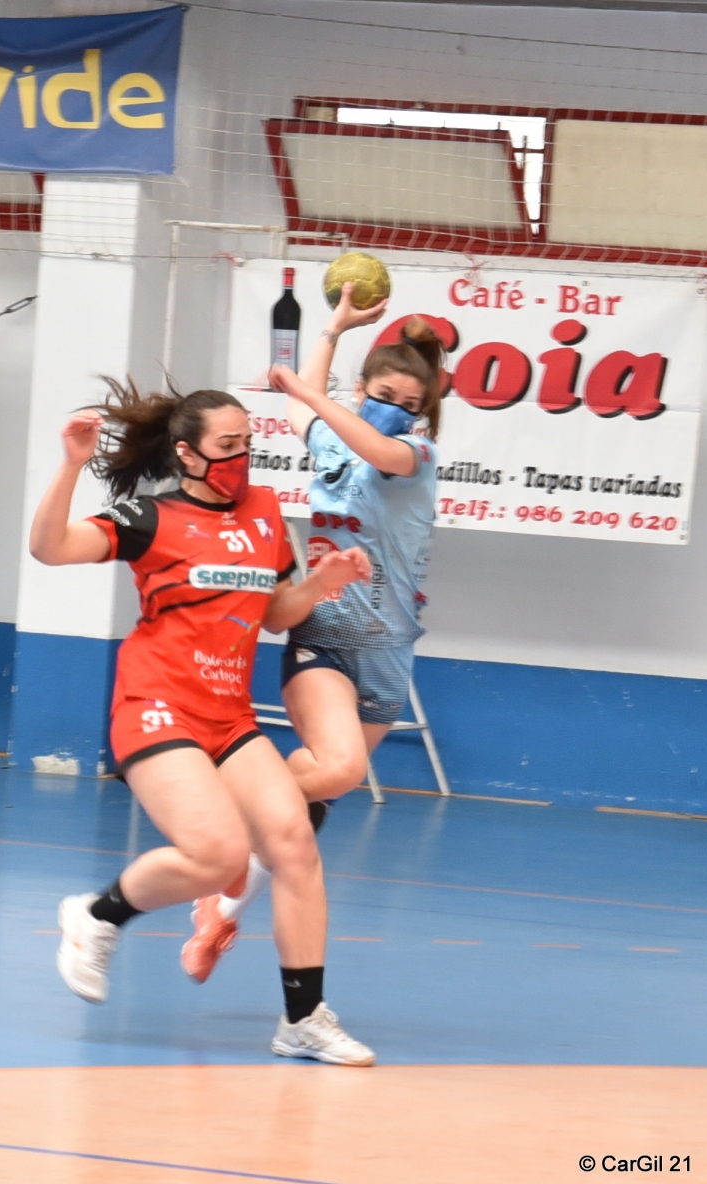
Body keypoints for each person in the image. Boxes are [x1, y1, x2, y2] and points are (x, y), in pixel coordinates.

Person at [29, 378, 376, 1066]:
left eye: (248, 443)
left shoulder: (264, 512)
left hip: (227, 714)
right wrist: (71, 466)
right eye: (227, 444)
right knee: (218, 856)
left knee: (293, 842)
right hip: (156, 703)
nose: (240, 456)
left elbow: (273, 613)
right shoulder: (150, 519)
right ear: (188, 454)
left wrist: (319, 584)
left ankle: (302, 1020)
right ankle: (97, 915)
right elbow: (51, 547)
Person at [182, 283, 444, 982]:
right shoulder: (333, 437)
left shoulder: (415, 456)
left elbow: (363, 438)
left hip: (389, 653)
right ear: (362, 390)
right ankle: (221, 818)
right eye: (384, 395)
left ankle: (222, 909)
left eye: (411, 403)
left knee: (316, 801)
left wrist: (305, 389)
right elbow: (312, 410)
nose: (397, 409)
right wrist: (333, 328)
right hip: (324, 635)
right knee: (336, 768)